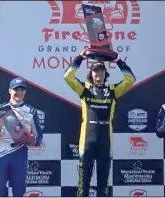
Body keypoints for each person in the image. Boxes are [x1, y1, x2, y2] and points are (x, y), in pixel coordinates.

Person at [64, 49, 136, 197]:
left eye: (101, 71)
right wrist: (80, 58)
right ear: (91, 74)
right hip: (87, 142)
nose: (98, 74)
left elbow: (130, 80)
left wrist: (118, 61)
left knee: (103, 182)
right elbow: (68, 77)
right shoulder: (84, 89)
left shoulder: (113, 90)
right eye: (95, 71)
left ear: (105, 74)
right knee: (84, 182)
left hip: (105, 141)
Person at [0, 77, 43, 197]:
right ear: (9, 91)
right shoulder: (0, 110)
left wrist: (31, 139)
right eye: (16, 89)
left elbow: (39, 136)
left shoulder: (31, 111)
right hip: (1, 155)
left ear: (25, 91)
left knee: (19, 191)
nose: (19, 92)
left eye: (22, 89)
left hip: (19, 154)